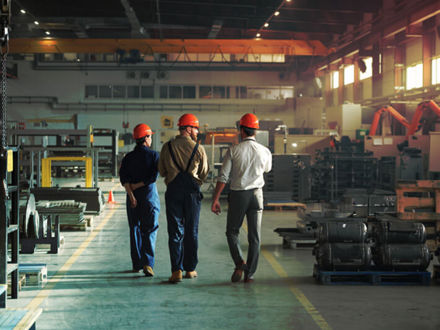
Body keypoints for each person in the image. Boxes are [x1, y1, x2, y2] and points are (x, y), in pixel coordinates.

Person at [211, 113, 272, 283]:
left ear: (241, 130)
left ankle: (239, 263)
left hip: (239, 195)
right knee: (254, 236)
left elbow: (223, 177)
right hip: (257, 195)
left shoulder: (234, 150)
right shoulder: (265, 151)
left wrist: (215, 199)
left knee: (232, 231)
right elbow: (267, 169)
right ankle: (250, 274)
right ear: (255, 131)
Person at [159, 113, 209, 283]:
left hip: (173, 191)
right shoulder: (199, 148)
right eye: (195, 128)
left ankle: (176, 271)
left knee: (174, 231)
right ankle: (190, 269)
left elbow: (162, 171)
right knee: (191, 231)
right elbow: (204, 173)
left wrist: (173, 176)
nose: (197, 131)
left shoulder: (167, 147)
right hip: (192, 193)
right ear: (188, 128)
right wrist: (194, 180)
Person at [119, 123, 160, 277]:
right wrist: (138, 186)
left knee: (134, 228)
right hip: (149, 197)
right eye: (150, 136)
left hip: (132, 199)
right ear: (146, 138)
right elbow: (153, 177)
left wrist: (131, 194)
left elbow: (124, 179)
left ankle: (136, 264)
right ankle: (148, 264)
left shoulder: (128, 157)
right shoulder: (154, 155)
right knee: (149, 229)